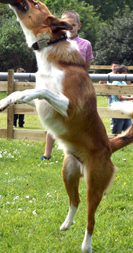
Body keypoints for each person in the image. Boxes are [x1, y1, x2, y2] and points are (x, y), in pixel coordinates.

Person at [40, 10, 93, 160]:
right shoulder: (56, 42)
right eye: (66, 25)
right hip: (57, 86)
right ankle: (47, 154)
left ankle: (77, 153)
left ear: (79, 26)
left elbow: (86, 67)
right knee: (54, 118)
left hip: (77, 88)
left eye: (73, 25)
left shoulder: (85, 45)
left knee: (78, 121)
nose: (70, 28)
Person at [111, 65, 133, 135]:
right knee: (117, 131)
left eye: (126, 75)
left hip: (125, 108)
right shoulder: (115, 83)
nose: (126, 76)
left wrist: (132, 98)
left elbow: (127, 93)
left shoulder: (123, 82)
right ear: (118, 73)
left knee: (129, 129)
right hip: (118, 109)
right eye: (124, 74)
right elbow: (120, 97)